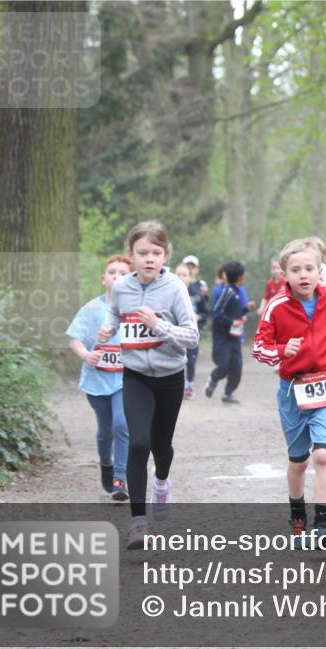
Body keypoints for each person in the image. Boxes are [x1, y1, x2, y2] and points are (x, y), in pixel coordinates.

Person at [252, 239, 326, 538]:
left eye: (310, 269)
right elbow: (259, 347)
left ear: (320, 271)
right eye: (296, 269)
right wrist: (281, 350)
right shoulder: (276, 305)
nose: (303, 275)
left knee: (323, 455)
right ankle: (297, 514)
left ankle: (324, 524)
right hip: (292, 389)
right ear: (284, 274)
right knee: (298, 460)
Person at [99, 221, 199, 549]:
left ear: (165, 254)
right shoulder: (123, 288)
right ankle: (138, 522)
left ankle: (162, 481)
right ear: (132, 255)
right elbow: (115, 315)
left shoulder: (174, 288)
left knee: (161, 446)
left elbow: (192, 337)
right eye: (142, 253)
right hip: (136, 376)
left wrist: (159, 326)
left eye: (156, 253)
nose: (149, 259)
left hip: (170, 377)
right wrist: (107, 328)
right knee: (138, 443)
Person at [67, 254, 133, 501]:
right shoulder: (92, 308)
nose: (117, 276)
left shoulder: (135, 310)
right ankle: (106, 463)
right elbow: (75, 338)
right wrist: (85, 354)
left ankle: (120, 478)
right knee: (105, 430)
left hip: (126, 380)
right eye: (113, 272)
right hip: (97, 380)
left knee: (121, 424)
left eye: (124, 273)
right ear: (103, 279)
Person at [205, 261, 248, 404]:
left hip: (235, 336)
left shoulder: (237, 291)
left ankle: (228, 394)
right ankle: (213, 379)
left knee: (237, 368)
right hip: (223, 337)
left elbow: (236, 312)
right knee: (223, 366)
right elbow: (216, 313)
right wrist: (231, 322)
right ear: (240, 277)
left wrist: (247, 309)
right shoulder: (227, 292)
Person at [180, 255, 208, 400]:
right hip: (175, 334)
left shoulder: (198, 292)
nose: (182, 277)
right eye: (179, 274)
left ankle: (189, 385)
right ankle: (177, 386)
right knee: (177, 361)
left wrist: (199, 318)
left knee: (190, 361)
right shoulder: (170, 291)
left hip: (192, 332)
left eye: (185, 274)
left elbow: (205, 311)